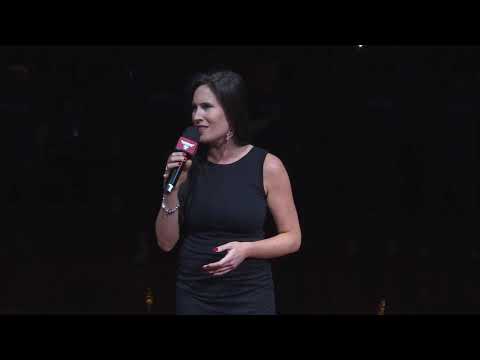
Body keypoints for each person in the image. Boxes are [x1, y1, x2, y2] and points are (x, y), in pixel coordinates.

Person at [155, 69, 301, 315]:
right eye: (194, 108)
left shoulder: (267, 166)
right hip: (194, 294)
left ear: (231, 113)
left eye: (206, 107)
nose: (197, 116)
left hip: (249, 294)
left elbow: (292, 237)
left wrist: (247, 249)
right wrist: (171, 188)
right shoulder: (187, 165)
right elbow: (166, 243)